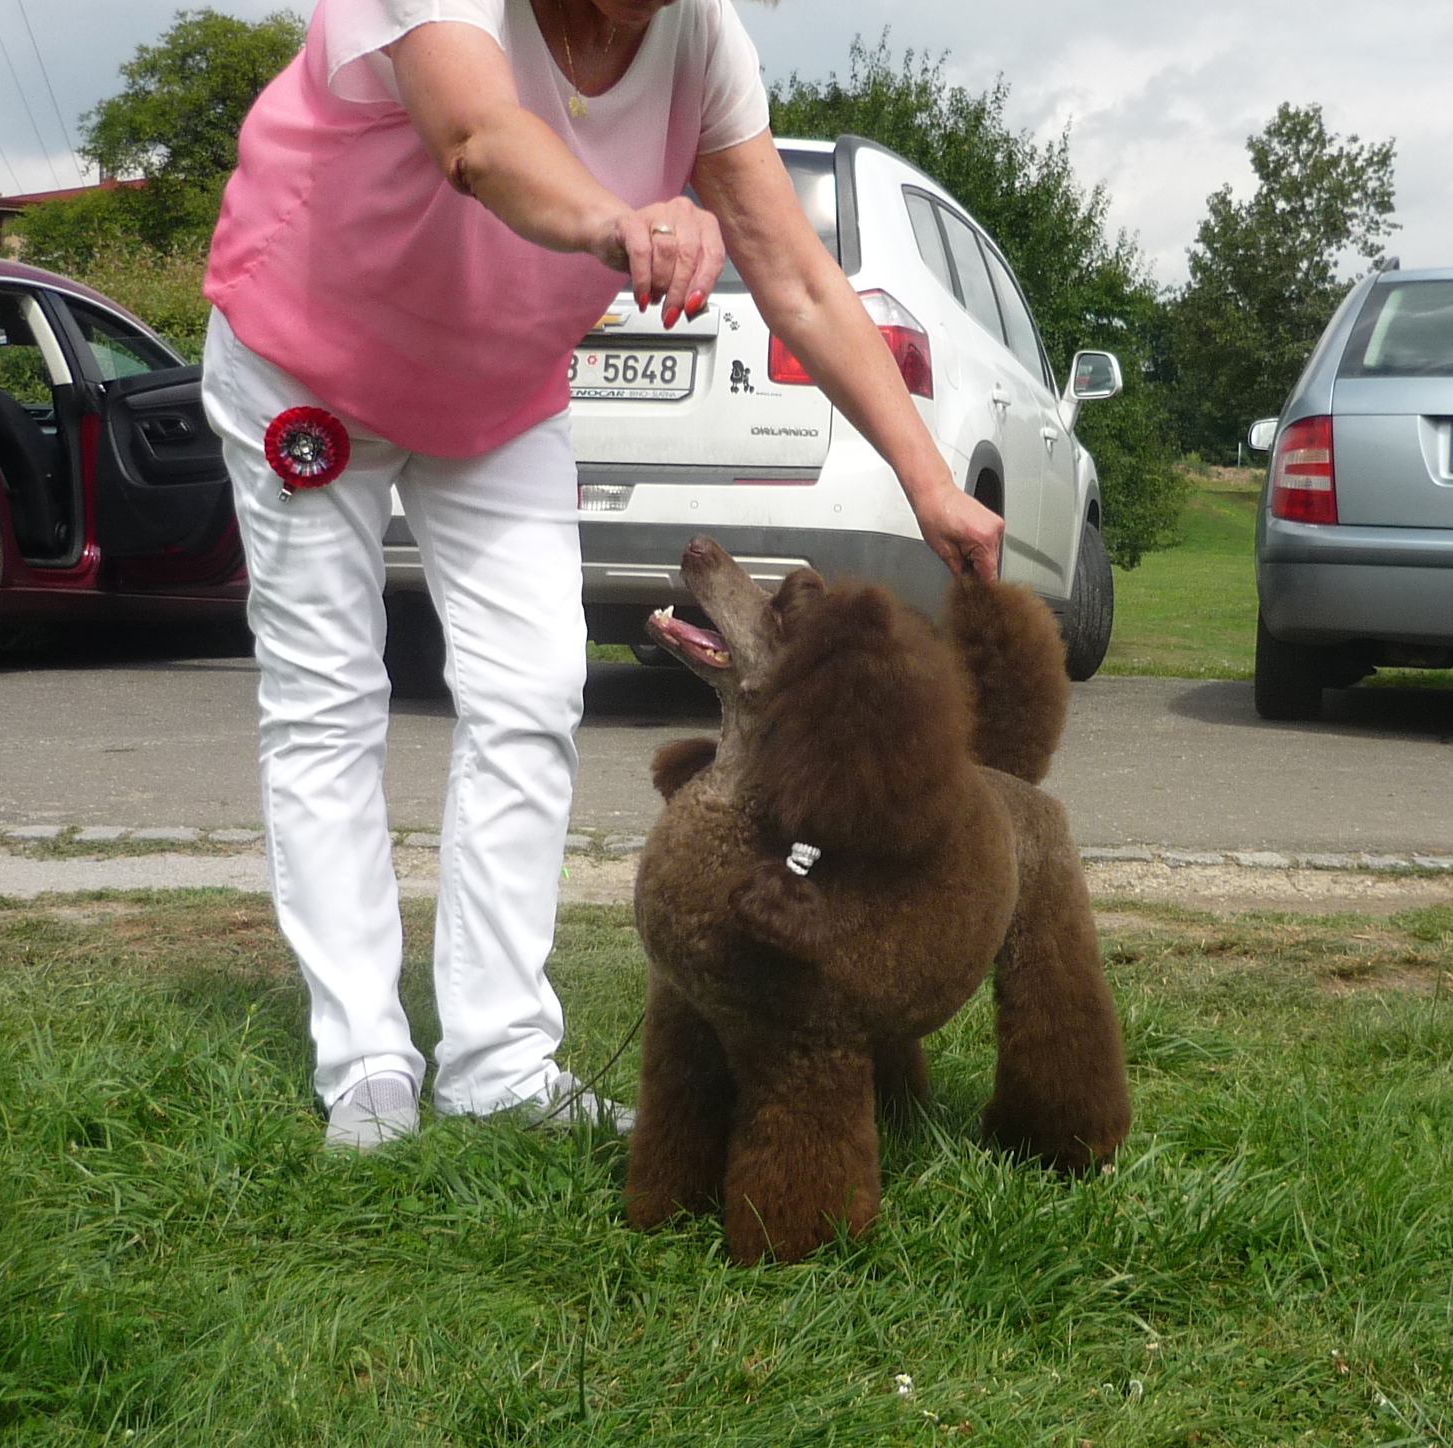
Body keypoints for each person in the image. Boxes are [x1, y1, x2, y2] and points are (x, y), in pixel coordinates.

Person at [200, 0, 1006, 1150]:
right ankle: (367, 1054)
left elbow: (799, 275)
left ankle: (497, 1057)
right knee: (328, 695)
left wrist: (927, 478)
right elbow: (479, 138)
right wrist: (620, 220)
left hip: (493, 388)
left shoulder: (701, 44)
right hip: (307, 355)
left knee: (531, 689)